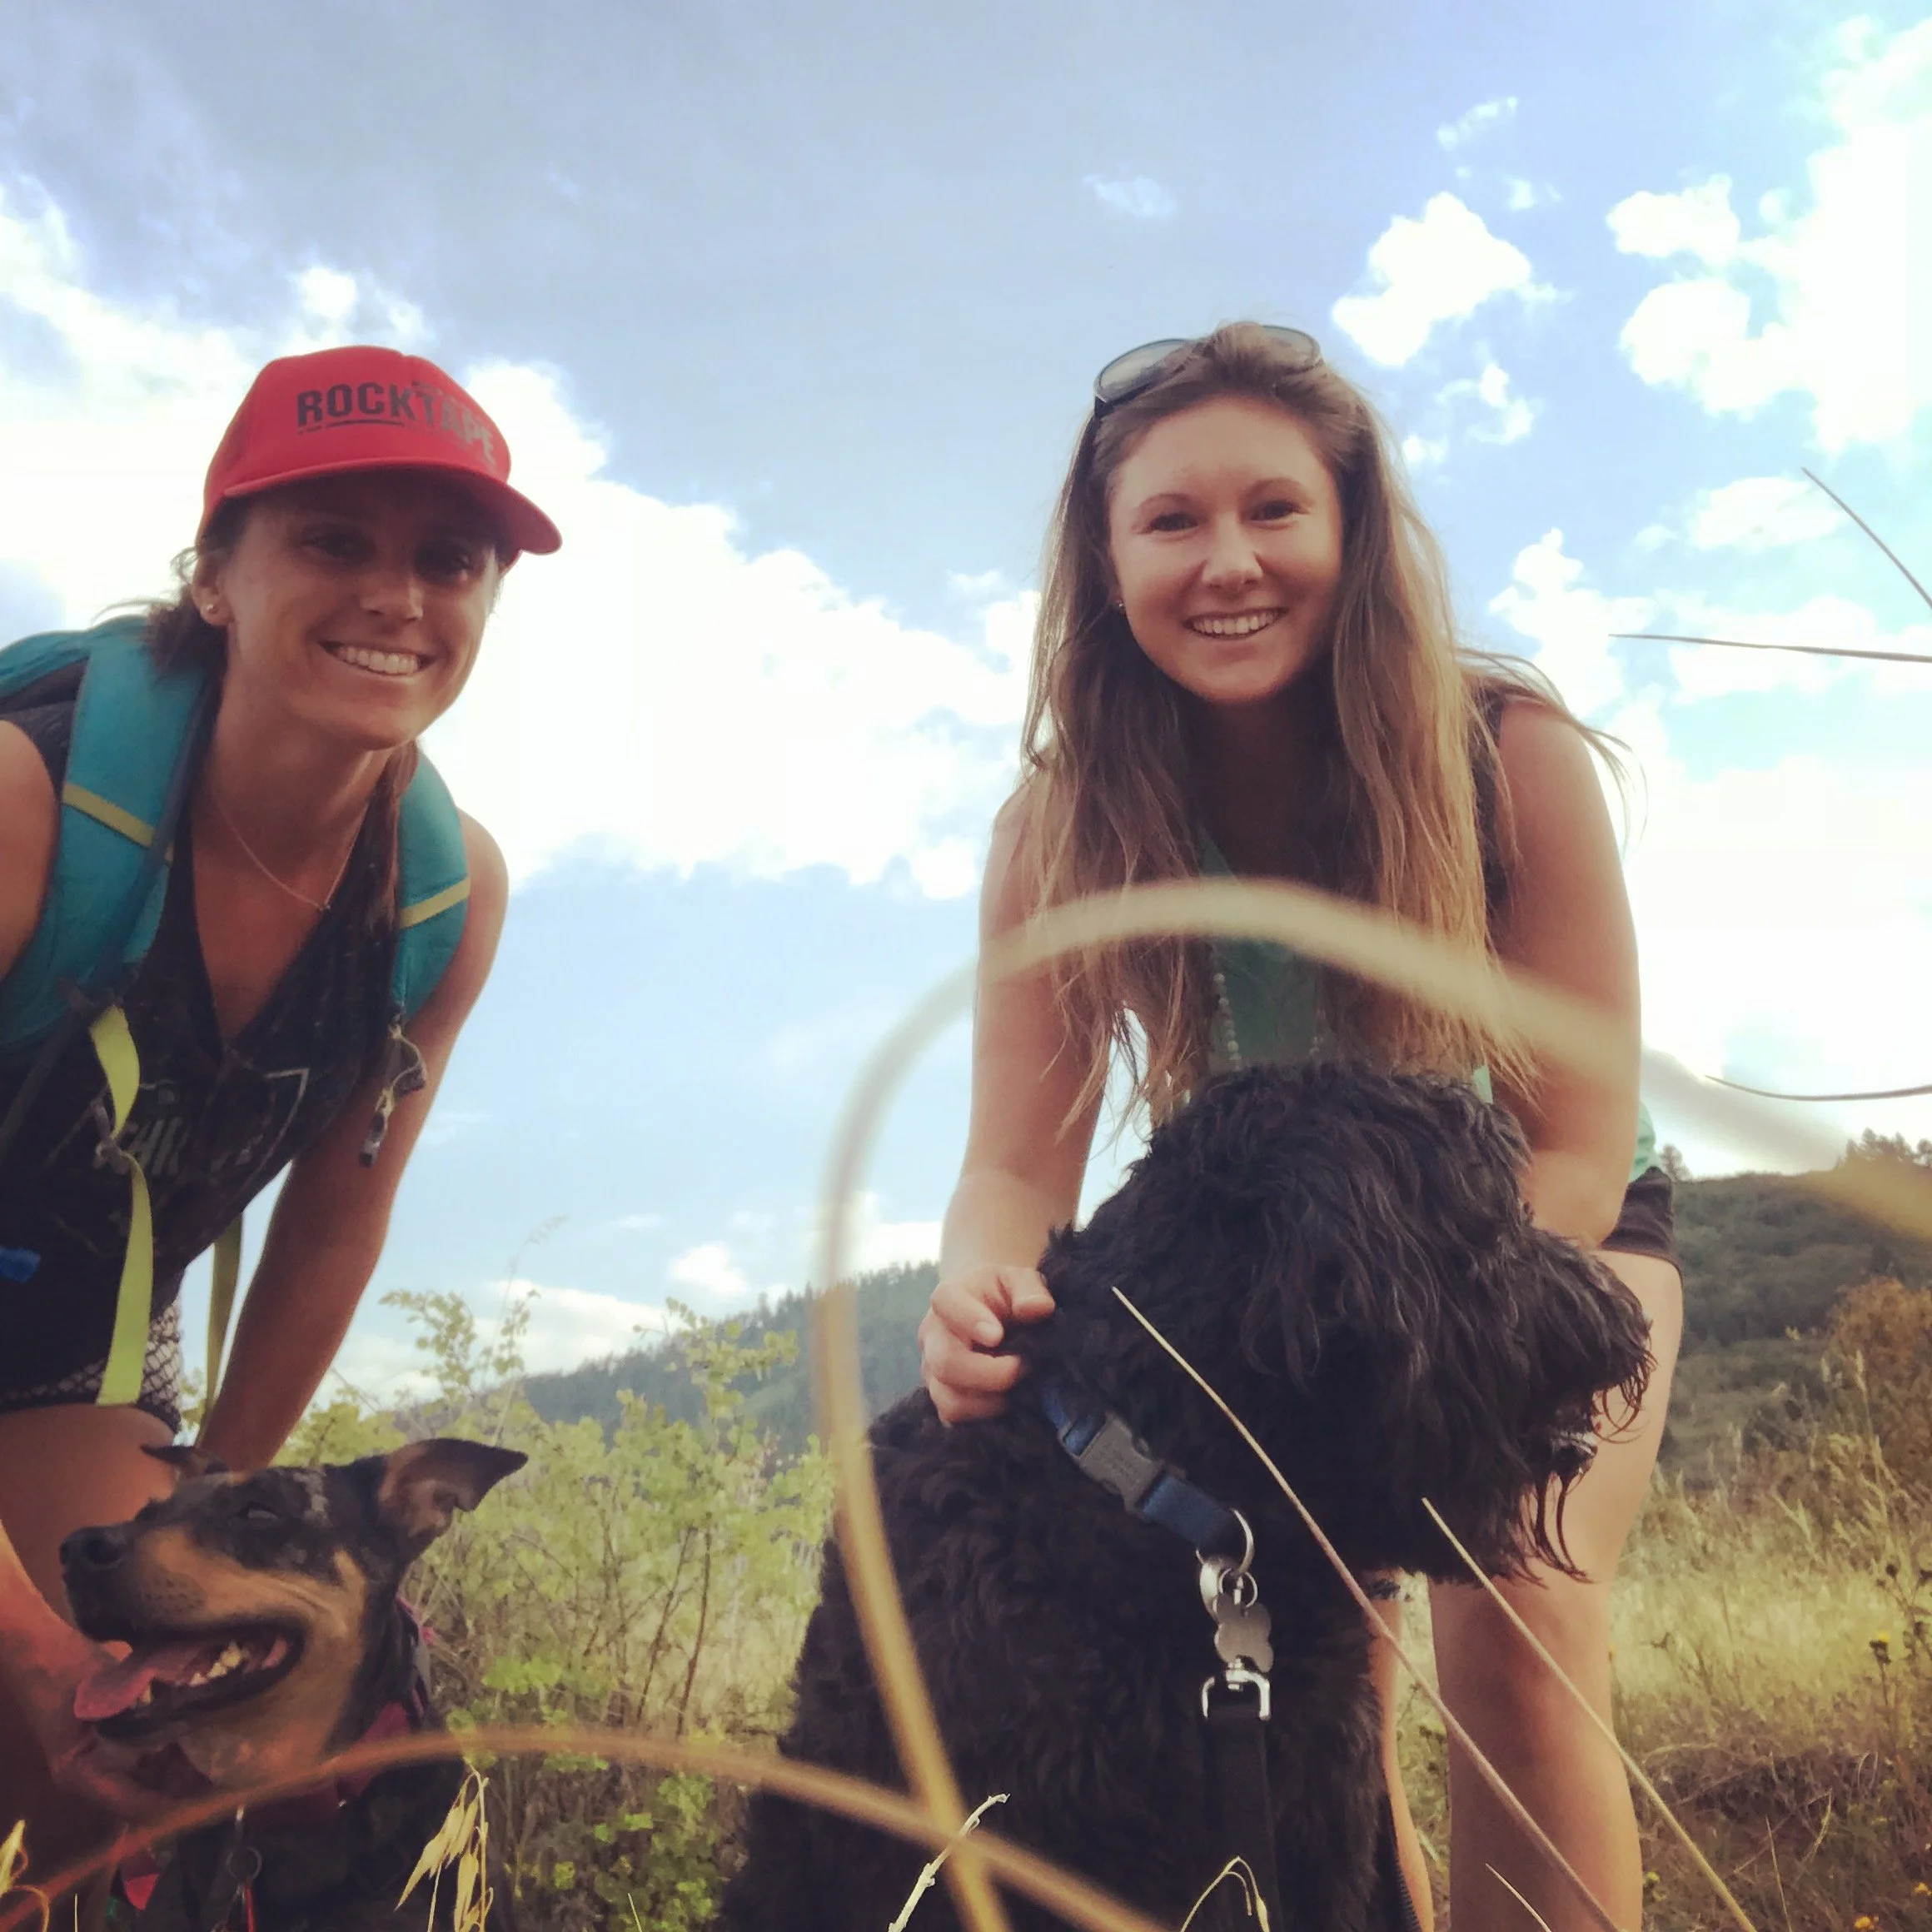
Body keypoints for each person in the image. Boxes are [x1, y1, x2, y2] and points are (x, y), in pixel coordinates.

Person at [917, 323, 1681, 1932]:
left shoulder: (1506, 758)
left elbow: (1581, 1145)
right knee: (1320, 1668)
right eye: (1172, 522)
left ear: (1351, 533)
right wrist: (982, 1284)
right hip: (1297, 1286)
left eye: (1275, 510)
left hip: (1545, 1252)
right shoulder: (1065, 827)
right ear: (1109, 562)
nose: (1229, 562)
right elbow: (1012, 1167)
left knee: (1514, 1599)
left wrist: (1424, 1350)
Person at [0, 345, 559, 1866]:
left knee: (121, 1783)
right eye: (332, 541)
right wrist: (33, 1653)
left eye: (447, 560)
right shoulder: (26, 806)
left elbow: (328, 1234)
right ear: (216, 576)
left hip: (63, 1331)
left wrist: (210, 1557)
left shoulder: (443, 898)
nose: (396, 598)